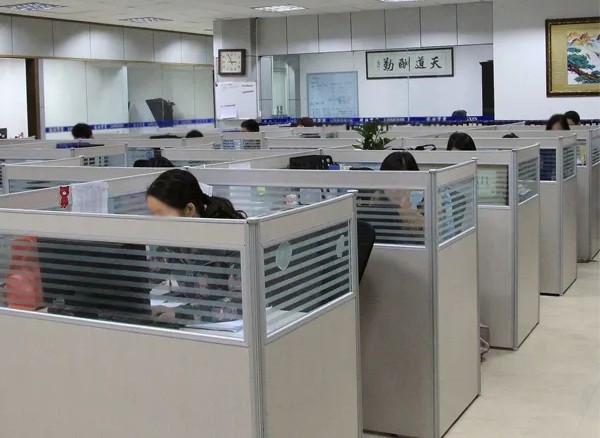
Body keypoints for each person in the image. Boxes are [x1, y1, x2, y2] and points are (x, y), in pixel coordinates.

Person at [146, 169, 246, 324]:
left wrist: (181, 315)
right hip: (195, 328)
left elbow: (242, 304)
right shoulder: (172, 243)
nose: (156, 222)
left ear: (189, 210)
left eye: (161, 214)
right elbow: (143, 278)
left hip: (235, 332)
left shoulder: (230, 240)